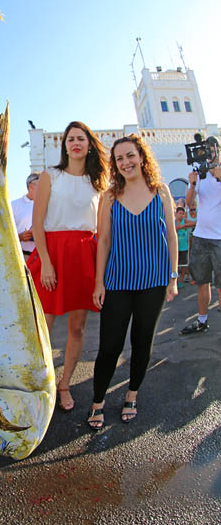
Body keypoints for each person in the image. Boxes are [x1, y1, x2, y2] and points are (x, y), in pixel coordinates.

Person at [87, 135, 178, 429]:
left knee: (142, 344)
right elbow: (103, 241)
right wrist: (99, 282)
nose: (126, 163)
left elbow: (172, 236)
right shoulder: (110, 196)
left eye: (130, 156)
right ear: (115, 165)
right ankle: (98, 401)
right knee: (109, 347)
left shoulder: (160, 191)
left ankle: (131, 395)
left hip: (154, 281)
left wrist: (173, 277)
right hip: (117, 282)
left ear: (142, 156)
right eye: (119, 159)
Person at [28, 121, 109, 412]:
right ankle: (42, 385)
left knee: (77, 329)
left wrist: (99, 277)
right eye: (70, 138)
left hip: (83, 258)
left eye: (81, 138)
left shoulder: (98, 183)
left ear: (89, 145)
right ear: (64, 145)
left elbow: (101, 233)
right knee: (43, 328)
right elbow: (37, 223)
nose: (75, 143)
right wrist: (47, 263)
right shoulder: (51, 176)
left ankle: (64, 384)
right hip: (52, 255)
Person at [181, 151, 221, 335]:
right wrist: (192, 183)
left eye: (214, 150)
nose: (210, 154)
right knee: (202, 282)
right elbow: (189, 203)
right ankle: (202, 321)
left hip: (219, 238)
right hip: (201, 237)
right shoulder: (200, 174)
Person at [11, 173, 40, 260]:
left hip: (44, 257)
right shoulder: (13, 206)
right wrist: (20, 237)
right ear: (31, 187)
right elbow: (4, 232)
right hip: (22, 257)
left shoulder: (48, 205)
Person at [174, 205, 195, 286]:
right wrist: (179, 227)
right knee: (175, 264)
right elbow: (173, 228)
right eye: (180, 213)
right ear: (176, 214)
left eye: (183, 213)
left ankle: (181, 280)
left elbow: (194, 223)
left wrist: (183, 226)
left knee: (184, 264)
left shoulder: (185, 221)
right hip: (176, 247)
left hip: (184, 247)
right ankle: (174, 280)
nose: (181, 215)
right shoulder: (173, 221)